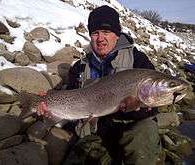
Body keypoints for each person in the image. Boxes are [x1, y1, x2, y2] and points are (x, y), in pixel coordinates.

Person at [64, 5, 161, 165]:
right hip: (94, 131)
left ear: (117, 35)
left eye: (106, 32)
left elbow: (153, 107)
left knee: (144, 133)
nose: (100, 38)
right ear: (90, 36)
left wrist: (131, 108)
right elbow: (69, 99)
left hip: (131, 128)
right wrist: (50, 107)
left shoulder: (138, 60)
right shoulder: (79, 67)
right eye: (95, 33)